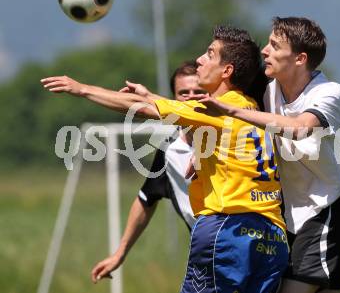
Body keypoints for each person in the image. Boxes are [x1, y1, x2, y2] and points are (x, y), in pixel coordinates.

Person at [41, 25, 288, 293]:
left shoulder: (213, 110)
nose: (200, 61)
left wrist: (81, 88)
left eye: (209, 54)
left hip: (227, 229)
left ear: (227, 71)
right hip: (272, 237)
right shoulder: (253, 109)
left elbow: (138, 108)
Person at [195, 17, 340, 293]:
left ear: (299, 58)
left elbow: (300, 128)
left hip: (324, 211)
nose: (265, 51)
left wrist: (231, 110)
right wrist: (203, 149)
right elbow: (238, 123)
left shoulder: (327, 92)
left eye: (274, 45)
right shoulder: (267, 87)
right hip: (288, 218)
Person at [89, 60, 206, 283]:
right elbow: (146, 198)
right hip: (206, 248)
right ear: (173, 99)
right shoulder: (170, 149)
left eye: (198, 91)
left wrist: (82, 90)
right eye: (184, 93)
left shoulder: (229, 133)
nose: (191, 97)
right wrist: (119, 253)